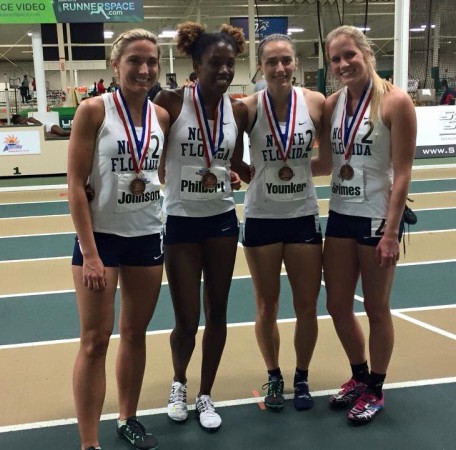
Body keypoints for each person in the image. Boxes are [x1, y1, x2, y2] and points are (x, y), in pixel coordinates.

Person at [67, 28, 170, 450]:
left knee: (135, 334)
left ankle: (128, 417)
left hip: (146, 235)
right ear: (116, 65)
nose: (143, 69)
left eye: (151, 62)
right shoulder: (93, 111)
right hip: (101, 242)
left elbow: (157, 173)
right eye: (134, 61)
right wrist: (90, 254)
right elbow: (75, 184)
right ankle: (89, 442)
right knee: (94, 341)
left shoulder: (161, 116)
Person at [319, 25, 416, 424]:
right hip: (341, 214)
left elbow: (404, 173)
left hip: (378, 219)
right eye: (335, 59)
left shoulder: (396, 102)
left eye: (349, 55)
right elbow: (325, 164)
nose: (343, 64)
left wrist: (392, 232)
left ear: (366, 53)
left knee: (377, 307)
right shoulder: (331, 105)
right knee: (337, 304)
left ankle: (376, 387)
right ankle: (359, 376)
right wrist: (269, 170)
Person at [154, 21, 247, 432]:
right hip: (181, 222)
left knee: (219, 312)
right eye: (215, 63)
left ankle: (206, 392)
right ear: (195, 63)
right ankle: (179, 382)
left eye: (230, 64)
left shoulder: (238, 109)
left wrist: (250, 173)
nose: (224, 71)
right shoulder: (172, 102)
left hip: (223, 221)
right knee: (187, 319)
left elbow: (236, 161)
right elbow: (143, 144)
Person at [237, 34, 326, 412]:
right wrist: (247, 173)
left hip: (302, 215)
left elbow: (330, 159)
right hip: (261, 218)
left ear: (296, 63)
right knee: (266, 305)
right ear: (260, 66)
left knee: (307, 304)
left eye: (286, 60)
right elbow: (220, 149)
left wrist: (301, 172)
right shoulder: (247, 107)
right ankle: (274, 375)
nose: (279, 68)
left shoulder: (316, 103)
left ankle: (301, 377)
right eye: (271, 61)